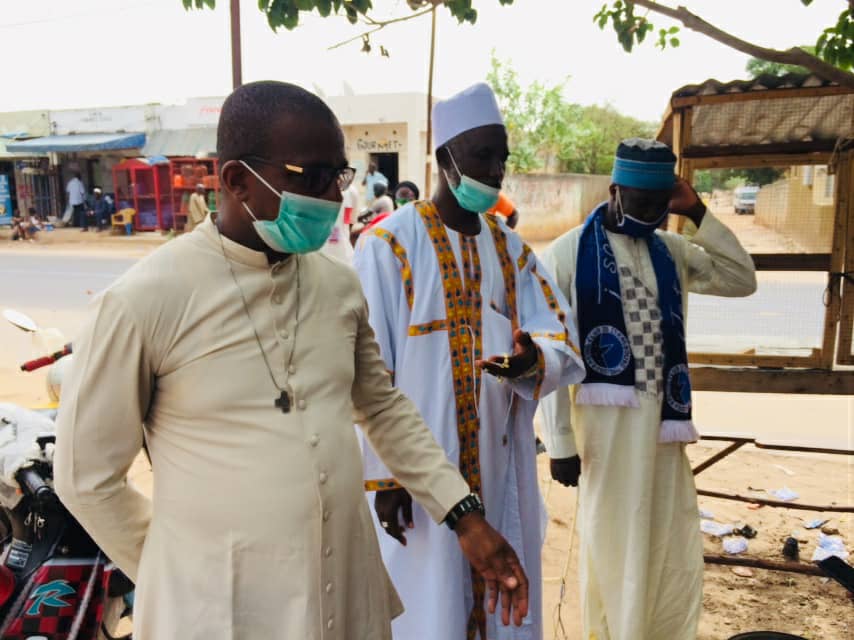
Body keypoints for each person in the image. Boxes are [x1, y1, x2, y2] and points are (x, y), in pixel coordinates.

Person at [54, 80, 531, 640]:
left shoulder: (338, 286)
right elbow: (86, 477)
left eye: (339, 176)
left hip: (344, 587)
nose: (331, 196)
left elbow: (381, 408)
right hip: (224, 615)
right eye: (312, 177)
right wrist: (177, 574)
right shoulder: (144, 301)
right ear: (237, 180)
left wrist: (463, 514)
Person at [353, 82, 585, 640]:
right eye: (483, 155)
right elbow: (368, 372)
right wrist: (386, 476)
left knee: (500, 603)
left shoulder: (512, 251)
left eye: (502, 157)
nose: (496, 170)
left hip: (499, 466)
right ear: (445, 158)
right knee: (425, 606)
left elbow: (561, 338)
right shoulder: (389, 246)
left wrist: (532, 361)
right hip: (417, 476)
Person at [539, 138, 757, 640]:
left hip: (663, 431)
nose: (653, 212)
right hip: (604, 436)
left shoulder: (672, 251)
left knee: (666, 539)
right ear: (615, 191)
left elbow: (741, 279)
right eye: (642, 200)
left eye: (661, 201)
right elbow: (552, 352)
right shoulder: (567, 253)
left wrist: (696, 210)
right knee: (613, 543)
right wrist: (561, 445)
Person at [322, 181, 358, 262]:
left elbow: (349, 221)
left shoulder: (351, 191)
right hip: (340, 249)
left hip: (337, 248)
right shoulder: (351, 191)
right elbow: (350, 222)